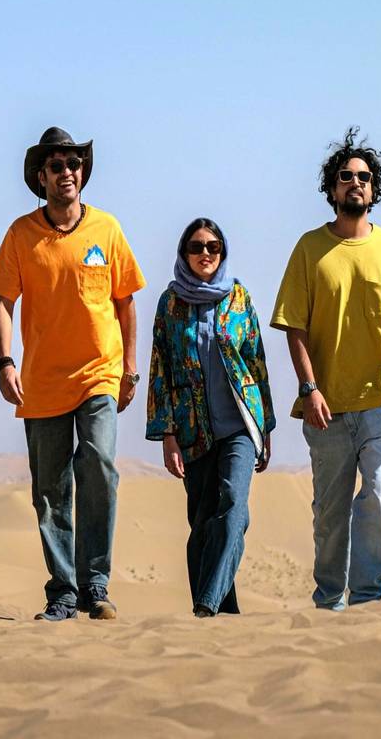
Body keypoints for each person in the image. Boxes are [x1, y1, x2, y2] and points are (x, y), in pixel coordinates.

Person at [0, 127, 146, 621]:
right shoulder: (21, 234)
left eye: (74, 164)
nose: (67, 173)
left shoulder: (107, 229)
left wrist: (130, 368)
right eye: (56, 166)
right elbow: (3, 303)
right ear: (42, 177)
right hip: (42, 382)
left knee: (99, 467)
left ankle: (96, 583)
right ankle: (63, 592)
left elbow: (125, 302)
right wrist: (5, 362)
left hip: (100, 373)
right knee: (51, 490)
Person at [270, 127, 381, 610]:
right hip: (326, 408)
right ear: (332, 188)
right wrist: (309, 388)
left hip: (380, 401)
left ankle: (367, 600)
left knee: (378, 496)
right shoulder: (309, 249)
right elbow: (294, 327)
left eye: (363, 177)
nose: (355, 183)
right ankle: (328, 602)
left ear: (374, 189)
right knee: (329, 514)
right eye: (345, 177)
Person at [146, 218, 276, 617]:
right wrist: (167, 434)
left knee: (233, 507)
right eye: (197, 246)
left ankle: (206, 604)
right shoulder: (170, 304)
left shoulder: (239, 298)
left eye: (213, 247)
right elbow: (160, 368)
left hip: (240, 426)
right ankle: (223, 613)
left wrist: (266, 426)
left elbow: (255, 359)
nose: (205, 253)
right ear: (184, 253)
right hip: (192, 428)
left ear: (223, 252)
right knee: (203, 523)